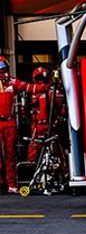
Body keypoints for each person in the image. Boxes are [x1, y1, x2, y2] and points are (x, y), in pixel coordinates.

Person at [0, 55, 49, 194]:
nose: (3, 73)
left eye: (4, 69)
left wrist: (46, 86)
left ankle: (12, 184)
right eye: (1, 70)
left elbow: (29, 88)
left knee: (11, 154)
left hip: (10, 122)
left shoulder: (13, 82)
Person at [27, 67, 65, 163]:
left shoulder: (54, 91)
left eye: (42, 77)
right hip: (37, 125)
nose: (41, 80)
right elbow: (26, 110)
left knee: (55, 147)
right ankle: (34, 169)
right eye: (39, 78)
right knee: (34, 149)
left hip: (51, 125)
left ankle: (60, 168)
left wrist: (57, 120)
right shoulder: (31, 92)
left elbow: (62, 108)